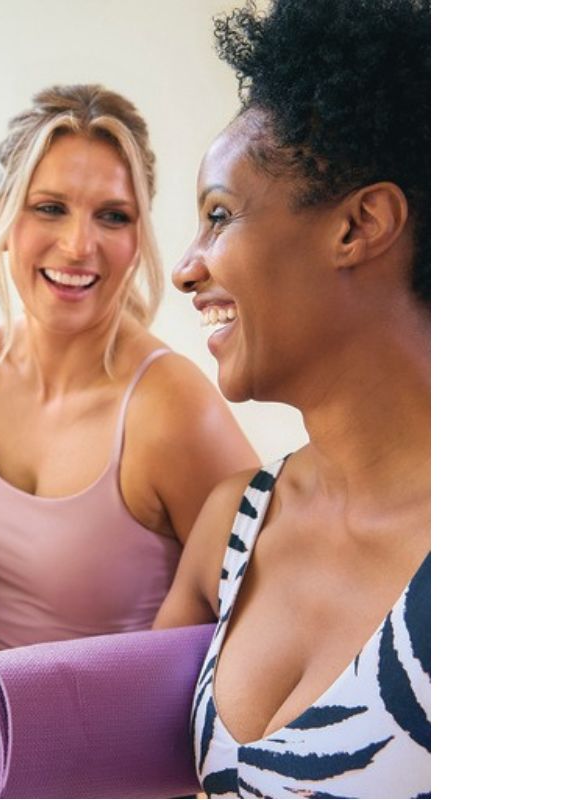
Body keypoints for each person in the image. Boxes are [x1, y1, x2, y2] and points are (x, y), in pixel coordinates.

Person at [0, 84, 259, 797]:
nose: (78, 244)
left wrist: (32, 697)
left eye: (112, 216)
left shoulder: (172, 407)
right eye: (49, 206)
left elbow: (251, 631)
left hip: (111, 775)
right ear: (1, 212)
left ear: (140, 235)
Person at [155, 1, 432, 797]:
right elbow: (124, 740)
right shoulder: (235, 521)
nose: (184, 268)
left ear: (360, 225)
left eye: (218, 215)